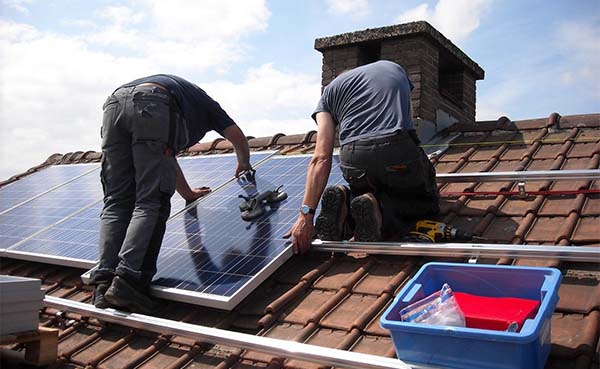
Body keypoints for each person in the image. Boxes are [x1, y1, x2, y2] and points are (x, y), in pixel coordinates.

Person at [90, 74, 253, 313]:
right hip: (152, 102)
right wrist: (244, 162)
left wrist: (187, 193)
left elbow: (164, 159)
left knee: (116, 201)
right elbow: (237, 135)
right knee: (150, 202)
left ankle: (103, 284)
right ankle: (127, 282)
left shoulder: (186, 100)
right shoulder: (208, 106)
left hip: (114, 104)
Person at [289, 60, 439, 254]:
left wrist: (306, 215)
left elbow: (321, 157)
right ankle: (381, 215)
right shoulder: (393, 67)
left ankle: (346, 200)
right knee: (424, 202)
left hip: (353, 158)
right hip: (396, 147)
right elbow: (408, 123)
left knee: (367, 186)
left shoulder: (328, 93)